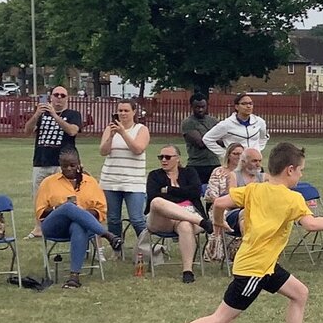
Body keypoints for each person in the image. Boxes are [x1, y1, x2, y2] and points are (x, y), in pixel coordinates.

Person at [141, 142, 323, 323]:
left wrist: (217, 222)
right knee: (222, 319)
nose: (301, 175)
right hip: (255, 269)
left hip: (262, 264)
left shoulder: (255, 189)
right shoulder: (292, 198)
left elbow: (220, 203)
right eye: (301, 170)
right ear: (289, 170)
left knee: (300, 293)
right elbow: (311, 224)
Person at [35, 150, 124, 289]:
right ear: (60, 165)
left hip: (83, 226)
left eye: (72, 165)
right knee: (68, 207)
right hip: (54, 225)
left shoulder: (90, 182)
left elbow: (100, 211)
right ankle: (107, 235)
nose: (68, 169)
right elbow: (41, 212)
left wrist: (81, 213)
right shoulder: (48, 182)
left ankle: (74, 277)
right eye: (64, 166)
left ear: (79, 164)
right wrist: (59, 209)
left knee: (78, 225)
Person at [144, 145, 210, 282]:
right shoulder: (154, 175)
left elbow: (195, 192)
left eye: (167, 157)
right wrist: (180, 193)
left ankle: (188, 271)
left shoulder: (190, 172)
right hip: (162, 219)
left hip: (189, 214)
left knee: (185, 225)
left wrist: (168, 190)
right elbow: (153, 195)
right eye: (160, 157)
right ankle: (201, 221)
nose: (163, 160)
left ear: (178, 159)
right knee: (157, 202)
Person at [24, 86, 83, 232]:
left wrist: (55, 116)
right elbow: (27, 130)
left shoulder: (73, 114)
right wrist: (37, 114)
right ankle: (38, 227)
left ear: (67, 98)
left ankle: (64, 224)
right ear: (51, 97)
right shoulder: (41, 115)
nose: (59, 98)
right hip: (41, 161)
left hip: (63, 163)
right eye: (56, 95)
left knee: (64, 196)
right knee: (39, 196)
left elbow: (72, 131)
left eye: (63, 95)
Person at [98, 99, 150, 247]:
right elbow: (103, 151)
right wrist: (112, 135)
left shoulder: (141, 129)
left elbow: (138, 149)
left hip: (134, 182)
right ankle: (117, 248)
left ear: (134, 112)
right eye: (120, 111)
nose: (122, 114)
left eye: (126, 110)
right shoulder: (110, 128)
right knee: (113, 219)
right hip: (111, 180)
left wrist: (123, 133)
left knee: (137, 218)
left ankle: (146, 248)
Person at [202, 93, 269, 159]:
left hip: (254, 163)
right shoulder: (226, 124)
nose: (248, 106)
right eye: (244, 104)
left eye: (250, 103)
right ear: (236, 107)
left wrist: (257, 150)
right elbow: (207, 139)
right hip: (236, 164)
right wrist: (225, 154)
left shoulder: (259, 122)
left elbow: (264, 137)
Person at [180, 94, 220, 185]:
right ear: (191, 107)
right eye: (197, 107)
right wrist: (214, 138)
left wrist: (208, 138)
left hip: (214, 163)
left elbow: (223, 141)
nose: (200, 110)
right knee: (195, 193)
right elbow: (200, 143)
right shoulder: (188, 123)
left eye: (203, 107)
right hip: (196, 164)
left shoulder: (213, 121)